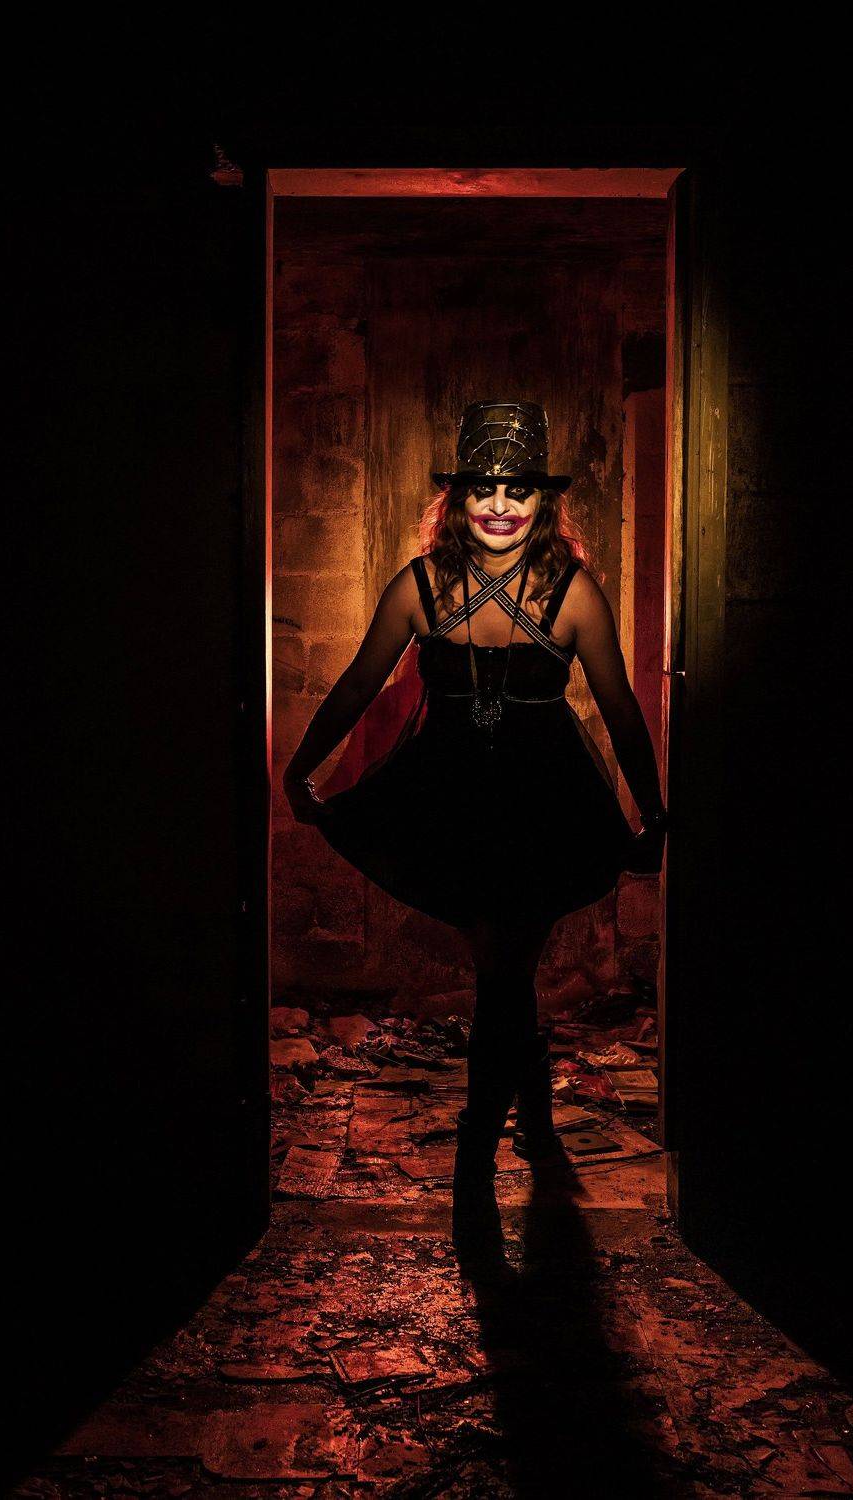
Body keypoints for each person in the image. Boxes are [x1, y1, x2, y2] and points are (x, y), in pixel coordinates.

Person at [283, 399, 667, 1277]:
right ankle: (531, 1109)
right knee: (506, 969)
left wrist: (652, 814)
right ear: (456, 499)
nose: (500, 505)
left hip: (542, 807)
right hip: (448, 802)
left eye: (518, 489)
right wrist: (300, 770)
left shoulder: (574, 593)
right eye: (484, 488)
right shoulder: (418, 587)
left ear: (544, 501)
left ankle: (473, 1155)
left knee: (501, 968)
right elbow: (357, 684)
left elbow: (619, 710)